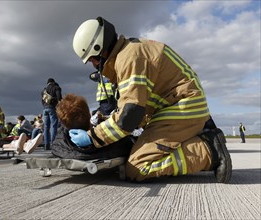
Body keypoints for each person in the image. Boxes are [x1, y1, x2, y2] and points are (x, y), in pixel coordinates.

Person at [71, 17, 232, 183]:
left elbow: (129, 117)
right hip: (180, 106)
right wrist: (104, 121)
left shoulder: (129, 59)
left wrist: (93, 138)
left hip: (183, 107)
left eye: (92, 59)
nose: (93, 65)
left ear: (100, 49)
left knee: (137, 167)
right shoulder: (129, 52)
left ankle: (209, 151)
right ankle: (201, 138)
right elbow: (137, 109)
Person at [53, 93, 133, 159]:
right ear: (89, 115)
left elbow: (56, 144)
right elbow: (127, 143)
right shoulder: (113, 145)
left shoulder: (61, 145)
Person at [41, 78, 62, 150]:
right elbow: (59, 98)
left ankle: (46, 144)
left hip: (45, 109)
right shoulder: (56, 87)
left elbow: (42, 100)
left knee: (46, 127)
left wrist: (45, 105)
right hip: (52, 108)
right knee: (53, 126)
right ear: (53, 82)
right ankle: (53, 143)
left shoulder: (44, 90)